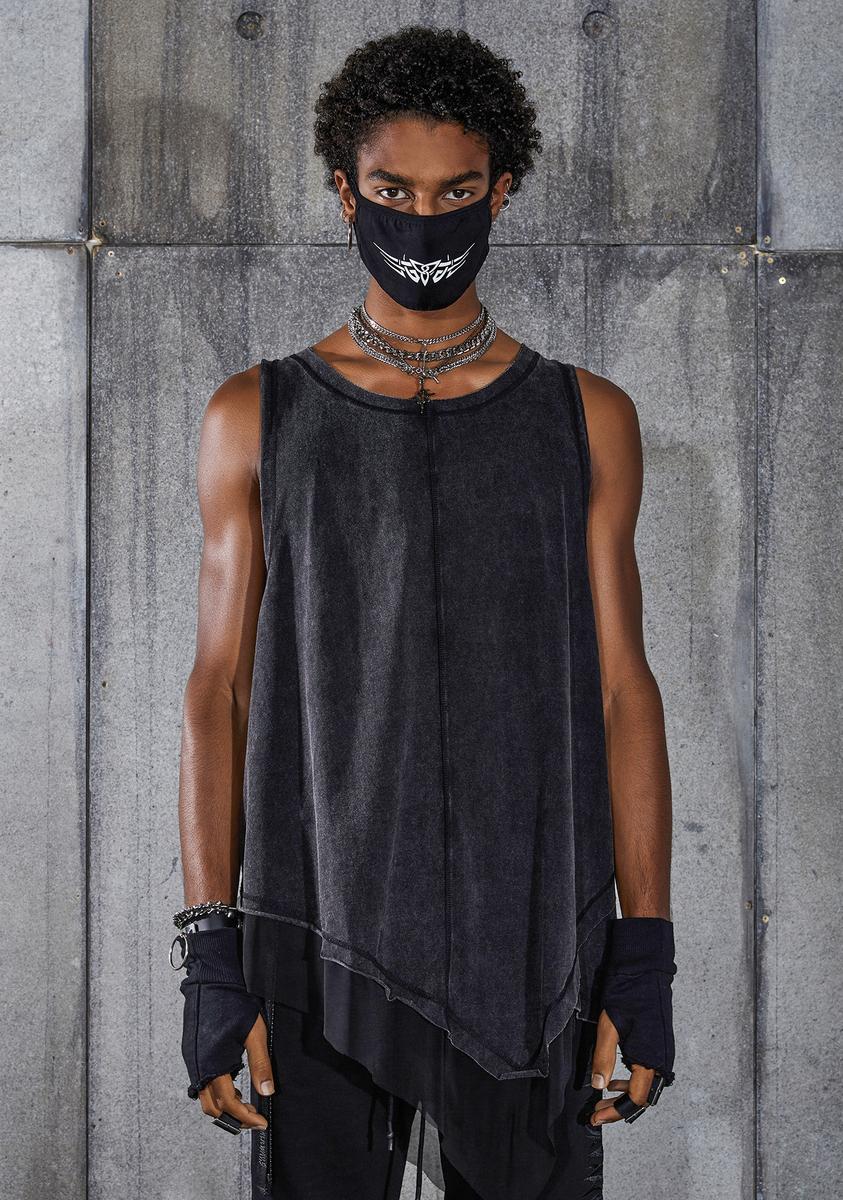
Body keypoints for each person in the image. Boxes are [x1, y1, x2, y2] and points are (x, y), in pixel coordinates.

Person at [172, 24, 677, 1200]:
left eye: (457, 191)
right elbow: (218, 692)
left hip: (532, 938)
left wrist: (643, 954)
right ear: (345, 192)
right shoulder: (256, 415)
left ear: (502, 191)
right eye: (394, 190)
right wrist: (209, 954)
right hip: (315, 928)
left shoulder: (585, 417)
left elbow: (622, 691)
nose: (424, 219)